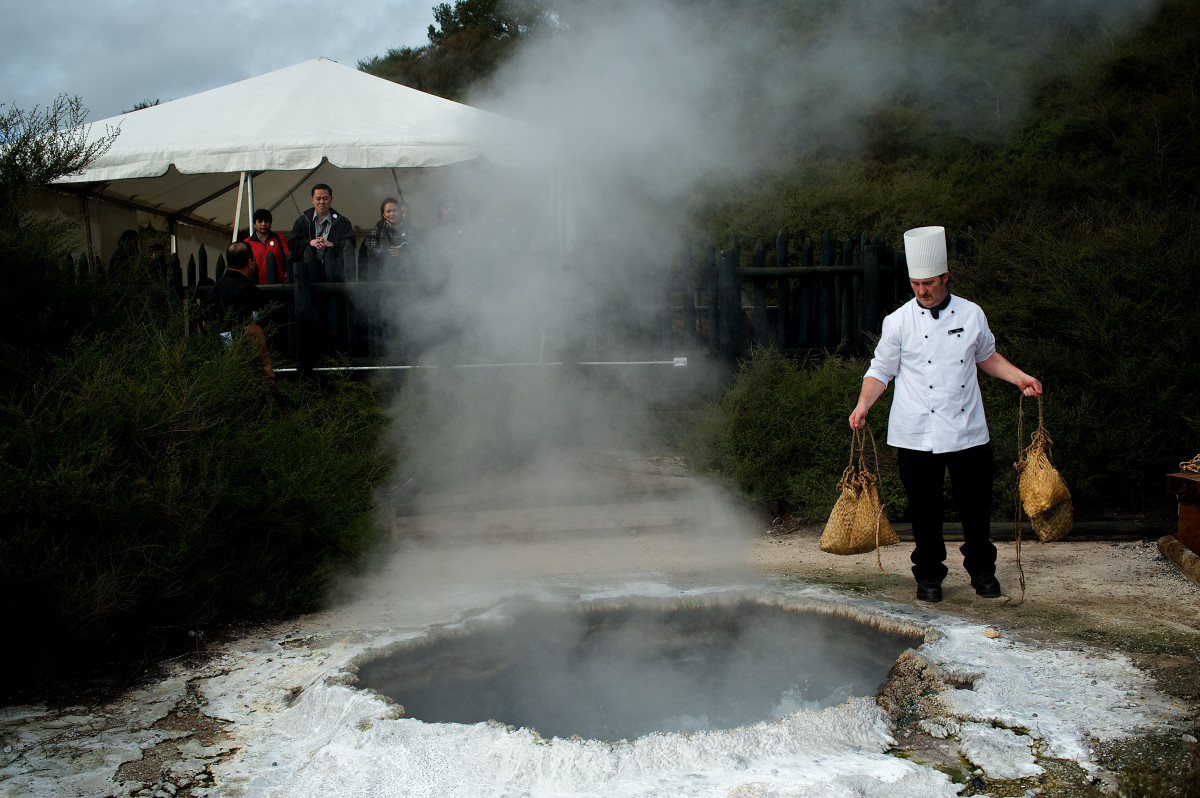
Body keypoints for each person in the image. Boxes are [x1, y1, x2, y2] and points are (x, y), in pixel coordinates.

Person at [848, 225, 1042, 603]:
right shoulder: (898, 321)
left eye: (930, 283)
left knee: (975, 507)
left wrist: (1019, 377)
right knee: (924, 511)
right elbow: (880, 370)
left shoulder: (971, 313)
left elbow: (986, 356)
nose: (923, 291)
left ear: (946, 278)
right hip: (915, 431)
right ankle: (929, 576)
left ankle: (983, 572)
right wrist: (863, 404)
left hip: (967, 428)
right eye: (917, 284)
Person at [208, 241, 276, 389]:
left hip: (219, 358)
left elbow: (205, 324)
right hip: (246, 362)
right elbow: (252, 331)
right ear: (250, 262)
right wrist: (266, 366)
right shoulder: (248, 291)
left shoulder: (214, 290)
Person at [287, 183, 355, 272]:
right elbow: (291, 244)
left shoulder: (342, 222)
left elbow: (352, 244)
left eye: (325, 198)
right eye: (318, 199)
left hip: (335, 271)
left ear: (331, 199)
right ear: (312, 200)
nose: (322, 202)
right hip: (308, 271)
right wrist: (309, 242)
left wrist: (332, 244)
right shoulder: (302, 221)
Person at [364, 198, 411, 279]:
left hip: (405, 274)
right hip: (382, 274)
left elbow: (416, 249)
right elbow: (371, 250)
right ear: (383, 214)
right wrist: (386, 252)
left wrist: (402, 252)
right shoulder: (378, 229)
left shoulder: (408, 229)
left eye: (395, 210)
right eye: (388, 211)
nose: (392, 214)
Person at [244, 208, 290, 284]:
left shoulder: (280, 239)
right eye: (260, 221)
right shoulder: (247, 243)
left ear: (271, 223)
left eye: (266, 221)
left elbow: (291, 259)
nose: (263, 224)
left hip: (279, 286)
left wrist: (286, 277)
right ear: (254, 224)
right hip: (255, 286)